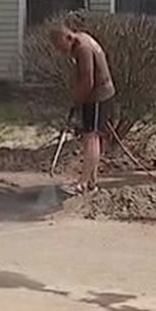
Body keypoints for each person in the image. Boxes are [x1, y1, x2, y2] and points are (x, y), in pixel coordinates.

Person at [49, 19, 115, 194]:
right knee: (92, 137)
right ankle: (91, 181)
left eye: (59, 46)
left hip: (98, 95)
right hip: (99, 94)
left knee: (91, 137)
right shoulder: (82, 38)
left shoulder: (82, 49)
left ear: (67, 37)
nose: (60, 51)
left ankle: (83, 183)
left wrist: (76, 101)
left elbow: (88, 81)